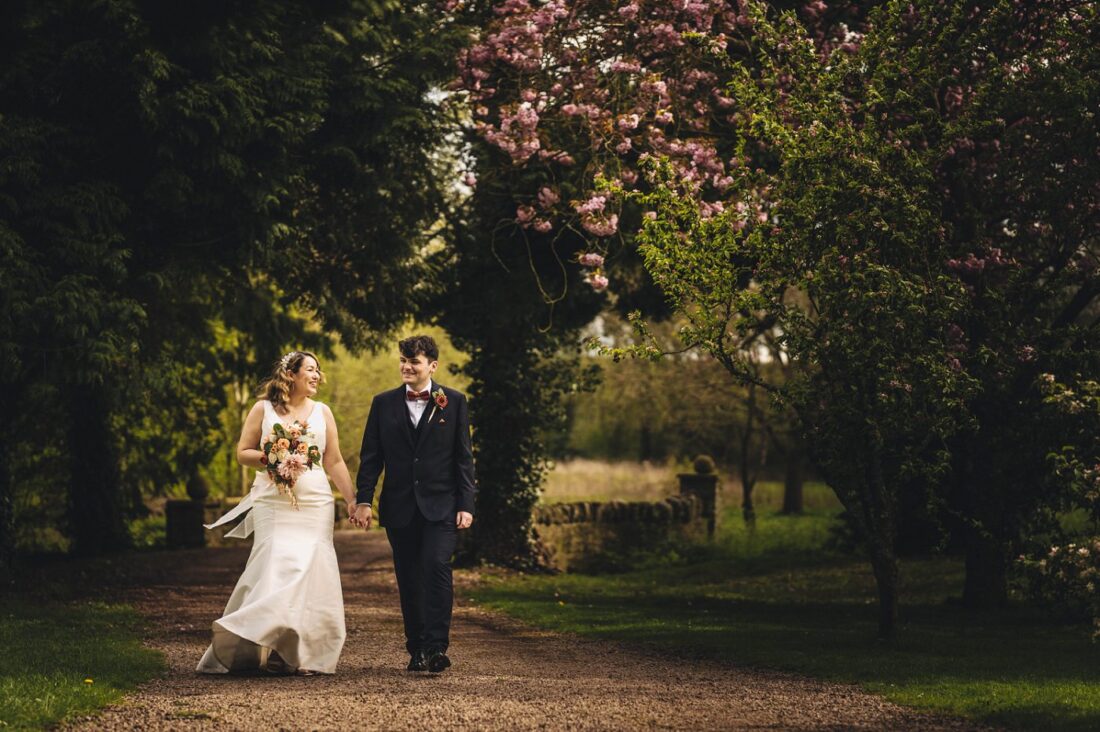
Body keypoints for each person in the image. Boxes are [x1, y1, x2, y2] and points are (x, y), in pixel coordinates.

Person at [198, 351, 358, 675]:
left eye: (318, 370)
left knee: (311, 573)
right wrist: (272, 458)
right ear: (292, 375)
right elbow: (243, 452)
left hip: (315, 502)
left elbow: (334, 460)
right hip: (274, 501)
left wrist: (354, 501)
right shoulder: (262, 409)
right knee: (276, 567)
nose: (317, 375)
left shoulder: (323, 412)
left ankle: (300, 654)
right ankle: (259, 641)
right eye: (310, 370)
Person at [353, 335, 476, 673]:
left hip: (443, 506)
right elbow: (371, 457)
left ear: (432, 366)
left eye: (415, 362)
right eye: (403, 361)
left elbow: (463, 459)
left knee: (437, 567)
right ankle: (417, 648)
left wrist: (466, 504)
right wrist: (364, 499)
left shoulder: (453, 401)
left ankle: (437, 647)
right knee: (409, 577)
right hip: (400, 507)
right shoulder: (383, 403)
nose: (407, 367)